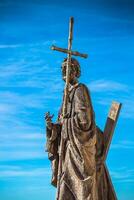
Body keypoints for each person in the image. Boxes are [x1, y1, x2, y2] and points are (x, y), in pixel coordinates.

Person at [45, 58, 116, 200]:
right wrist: (52, 127)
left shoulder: (80, 90)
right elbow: (62, 123)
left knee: (80, 188)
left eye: (68, 68)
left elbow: (85, 121)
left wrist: (66, 123)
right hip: (68, 147)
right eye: (62, 68)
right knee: (67, 184)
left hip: (78, 149)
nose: (64, 71)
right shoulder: (66, 95)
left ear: (76, 71)